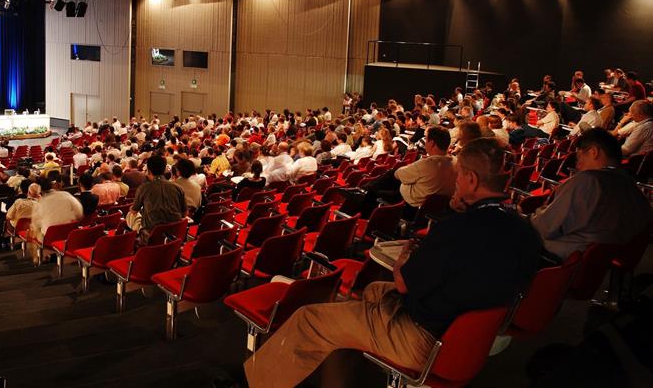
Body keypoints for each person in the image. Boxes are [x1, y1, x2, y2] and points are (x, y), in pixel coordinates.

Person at [244, 138, 541, 388]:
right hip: (467, 338)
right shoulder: (526, 231)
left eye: (459, 176)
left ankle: (254, 384)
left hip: (422, 337)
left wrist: (404, 259)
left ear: (473, 180)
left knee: (309, 319)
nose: (455, 183)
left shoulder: (456, 230)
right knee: (372, 291)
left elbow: (403, 281)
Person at [531, 128, 653, 260]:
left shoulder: (587, 181)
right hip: (598, 262)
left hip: (563, 259)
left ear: (593, 152)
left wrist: (528, 217)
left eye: (579, 158)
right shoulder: (631, 184)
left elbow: (545, 226)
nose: (578, 165)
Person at [127, 155, 186, 243]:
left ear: (149, 171)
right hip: (175, 232)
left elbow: (134, 211)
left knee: (130, 214)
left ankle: (137, 237)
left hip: (151, 234)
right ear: (164, 170)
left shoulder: (144, 188)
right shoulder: (177, 187)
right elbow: (185, 214)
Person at [395, 126, 456, 207]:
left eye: (426, 139)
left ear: (432, 143)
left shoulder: (428, 164)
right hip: (438, 207)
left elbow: (398, 174)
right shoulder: (456, 161)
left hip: (410, 206)